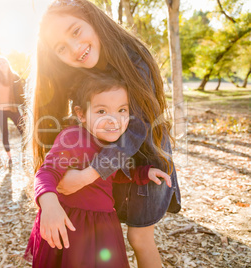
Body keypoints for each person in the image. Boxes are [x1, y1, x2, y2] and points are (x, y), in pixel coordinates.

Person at [29, 0, 181, 267]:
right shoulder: (80, 73)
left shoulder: (134, 58)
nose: (75, 49)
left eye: (76, 31)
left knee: (139, 237)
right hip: (108, 164)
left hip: (145, 155)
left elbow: (137, 126)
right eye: (61, 48)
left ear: (91, 18)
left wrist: (89, 174)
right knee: (102, 227)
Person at [25, 74, 172, 267]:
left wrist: (143, 173)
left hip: (104, 224)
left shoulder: (114, 144)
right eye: (102, 111)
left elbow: (116, 174)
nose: (113, 120)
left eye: (122, 110)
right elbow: (46, 173)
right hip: (73, 224)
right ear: (81, 114)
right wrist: (50, 205)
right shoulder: (72, 138)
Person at [0, 56, 24, 166]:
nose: (2, 64)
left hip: (13, 109)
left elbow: (21, 95)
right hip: (0, 110)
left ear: (8, 63)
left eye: (4, 62)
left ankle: (25, 153)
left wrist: (25, 111)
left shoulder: (15, 77)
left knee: (24, 130)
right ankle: (9, 157)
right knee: (5, 133)